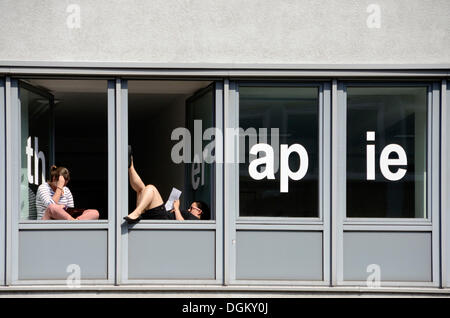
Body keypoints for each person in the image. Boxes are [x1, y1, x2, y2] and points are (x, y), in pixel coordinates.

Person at [123, 150, 210, 223]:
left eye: (191, 208)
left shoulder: (196, 222)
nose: (188, 210)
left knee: (151, 189)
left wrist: (176, 209)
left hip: (163, 218)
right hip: (162, 217)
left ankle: (137, 212)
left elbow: (184, 228)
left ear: (199, 212)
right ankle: (130, 166)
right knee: (142, 190)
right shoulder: (190, 217)